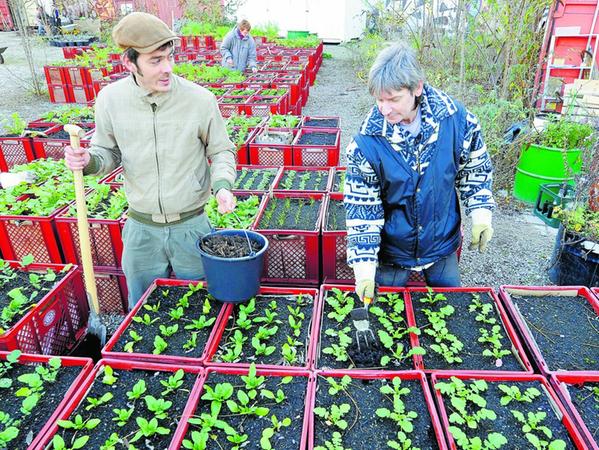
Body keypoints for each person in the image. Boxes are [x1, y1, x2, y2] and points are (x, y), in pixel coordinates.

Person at [64, 12, 237, 309]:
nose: (167, 68)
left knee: (200, 308)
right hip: (140, 231)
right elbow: (108, 152)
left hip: (192, 227)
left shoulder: (199, 100)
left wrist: (222, 185)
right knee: (142, 310)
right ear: (130, 63)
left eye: (169, 57)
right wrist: (88, 160)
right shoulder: (111, 100)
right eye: (155, 61)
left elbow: (220, 150)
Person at [344, 42, 495, 302]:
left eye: (393, 99)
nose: (385, 109)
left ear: (417, 88)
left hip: (441, 245)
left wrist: (481, 212)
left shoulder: (457, 122)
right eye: (379, 99)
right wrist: (365, 270)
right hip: (394, 252)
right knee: (386, 312)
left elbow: (475, 169)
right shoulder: (367, 144)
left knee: (452, 309)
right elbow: (362, 210)